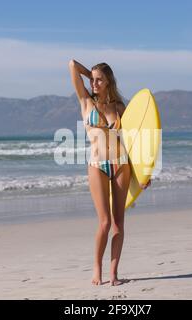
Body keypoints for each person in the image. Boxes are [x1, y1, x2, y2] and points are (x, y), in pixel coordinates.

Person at [68, 59, 151, 286]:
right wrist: (91, 74)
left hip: (122, 164)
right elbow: (72, 65)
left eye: (99, 80)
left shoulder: (119, 107)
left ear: (108, 82)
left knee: (118, 224)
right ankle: (98, 268)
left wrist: (144, 174)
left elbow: (135, 142)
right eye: (92, 80)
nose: (94, 83)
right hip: (97, 165)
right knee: (104, 223)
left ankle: (114, 273)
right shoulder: (86, 101)